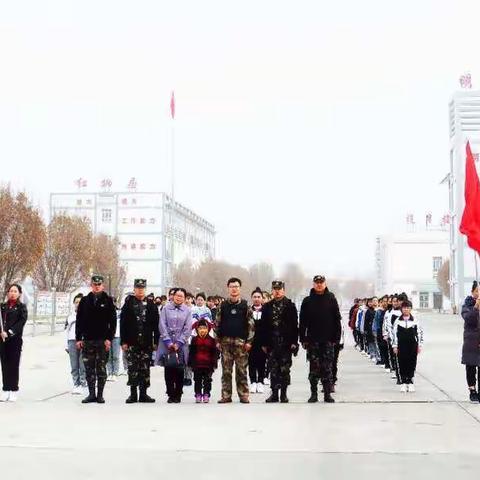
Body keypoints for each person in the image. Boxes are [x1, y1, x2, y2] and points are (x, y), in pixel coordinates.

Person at [299, 275, 341, 403]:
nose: (319, 284)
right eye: (316, 282)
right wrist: (303, 338)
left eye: (321, 282)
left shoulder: (331, 298)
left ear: (325, 283)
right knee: (314, 369)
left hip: (328, 340)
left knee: (327, 368)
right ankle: (313, 394)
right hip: (313, 341)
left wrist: (336, 339)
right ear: (313, 284)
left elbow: (336, 320)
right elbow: (302, 322)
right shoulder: (307, 300)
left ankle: (327, 394)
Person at [76, 275, 117, 404]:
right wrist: (78, 338)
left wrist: (109, 339)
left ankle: (100, 395)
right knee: (89, 368)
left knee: (101, 368)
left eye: (99, 284)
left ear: (102, 285)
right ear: (91, 285)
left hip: (102, 340)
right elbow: (79, 321)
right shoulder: (85, 300)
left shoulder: (108, 300)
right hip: (88, 340)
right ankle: (91, 394)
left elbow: (113, 322)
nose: (97, 286)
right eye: (95, 284)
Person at [215, 277, 255, 404]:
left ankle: (243, 395)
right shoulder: (223, 305)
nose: (234, 288)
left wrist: (249, 341)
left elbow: (251, 325)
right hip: (225, 343)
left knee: (241, 370)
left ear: (240, 288)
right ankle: (226, 395)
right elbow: (217, 323)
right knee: (226, 371)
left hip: (241, 344)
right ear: (228, 288)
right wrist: (217, 340)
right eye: (232, 286)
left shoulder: (245, 305)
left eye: (236, 286)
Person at [259, 281, 299, 403]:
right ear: (272, 290)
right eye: (275, 289)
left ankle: (284, 394)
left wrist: (294, 342)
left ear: (283, 290)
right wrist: (264, 343)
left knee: (285, 369)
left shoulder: (290, 305)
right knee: (273, 369)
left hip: (286, 343)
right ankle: (274, 394)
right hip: (272, 342)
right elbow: (263, 326)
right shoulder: (267, 307)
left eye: (279, 289)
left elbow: (294, 325)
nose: (277, 291)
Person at [121, 279, 160, 404]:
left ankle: (143, 394)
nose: (140, 290)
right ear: (134, 289)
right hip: (132, 341)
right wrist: (123, 341)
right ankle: (133, 394)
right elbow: (123, 324)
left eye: (142, 288)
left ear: (145, 289)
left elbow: (156, 325)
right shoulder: (128, 303)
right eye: (138, 288)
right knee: (132, 368)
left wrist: (156, 341)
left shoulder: (151, 304)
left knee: (145, 368)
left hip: (146, 342)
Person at [155, 288, 192, 403]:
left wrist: (179, 342)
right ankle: (170, 394)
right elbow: (162, 325)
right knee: (169, 369)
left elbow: (188, 328)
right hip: (167, 344)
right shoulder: (165, 309)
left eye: (181, 296)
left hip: (181, 345)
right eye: (177, 295)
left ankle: (178, 393)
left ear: (185, 298)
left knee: (180, 369)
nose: (179, 298)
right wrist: (168, 342)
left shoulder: (187, 311)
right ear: (173, 296)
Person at [0, 284, 28, 402]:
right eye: (10, 291)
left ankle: (13, 390)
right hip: (2, 340)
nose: (12, 293)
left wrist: (9, 332)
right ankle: (6, 389)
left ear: (19, 294)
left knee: (13, 365)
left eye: (15, 291)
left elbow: (21, 322)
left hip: (15, 340)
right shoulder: (2, 307)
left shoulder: (22, 307)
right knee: (4, 365)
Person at [392, 300, 424, 392]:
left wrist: (419, 345)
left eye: (408, 308)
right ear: (401, 309)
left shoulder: (415, 321)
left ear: (410, 309)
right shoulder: (397, 321)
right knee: (402, 363)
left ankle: (410, 382)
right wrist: (395, 346)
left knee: (411, 363)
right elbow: (394, 334)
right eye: (404, 308)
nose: (406, 309)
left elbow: (420, 333)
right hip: (401, 346)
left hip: (412, 346)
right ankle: (403, 382)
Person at [189, 318, 218, 403]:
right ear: (197, 329)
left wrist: (214, 363)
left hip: (208, 364)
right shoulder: (194, 339)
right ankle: (198, 394)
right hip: (197, 364)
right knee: (197, 380)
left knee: (207, 380)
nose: (202, 330)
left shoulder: (211, 340)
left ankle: (206, 394)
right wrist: (191, 362)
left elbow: (214, 353)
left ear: (208, 329)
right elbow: (192, 352)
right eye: (200, 328)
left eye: (204, 328)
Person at [461, 281, 480, 402]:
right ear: (472, 292)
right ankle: (472, 390)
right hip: (471, 340)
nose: (479, 293)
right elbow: (468, 319)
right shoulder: (467, 305)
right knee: (471, 367)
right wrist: (476, 307)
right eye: (477, 291)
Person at [65, 293, 86, 395]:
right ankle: (76, 384)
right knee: (74, 365)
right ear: (74, 303)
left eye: (80, 302)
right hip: (72, 341)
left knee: (82, 365)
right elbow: (66, 331)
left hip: (83, 341)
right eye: (76, 302)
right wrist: (66, 345)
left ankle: (82, 384)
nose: (78, 304)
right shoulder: (70, 316)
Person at [248, 287, 267, 394]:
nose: (256, 299)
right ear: (252, 298)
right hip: (250, 341)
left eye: (258, 297)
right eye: (254, 297)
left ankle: (260, 381)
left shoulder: (266, 310)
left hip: (262, 341)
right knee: (251, 362)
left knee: (262, 361)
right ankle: (253, 382)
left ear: (262, 298)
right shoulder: (248, 311)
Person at [107, 303, 121, 382]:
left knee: (115, 355)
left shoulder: (119, 313)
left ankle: (115, 373)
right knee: (108, 356)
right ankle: (109, 373)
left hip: (116, 336)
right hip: (107, 337)